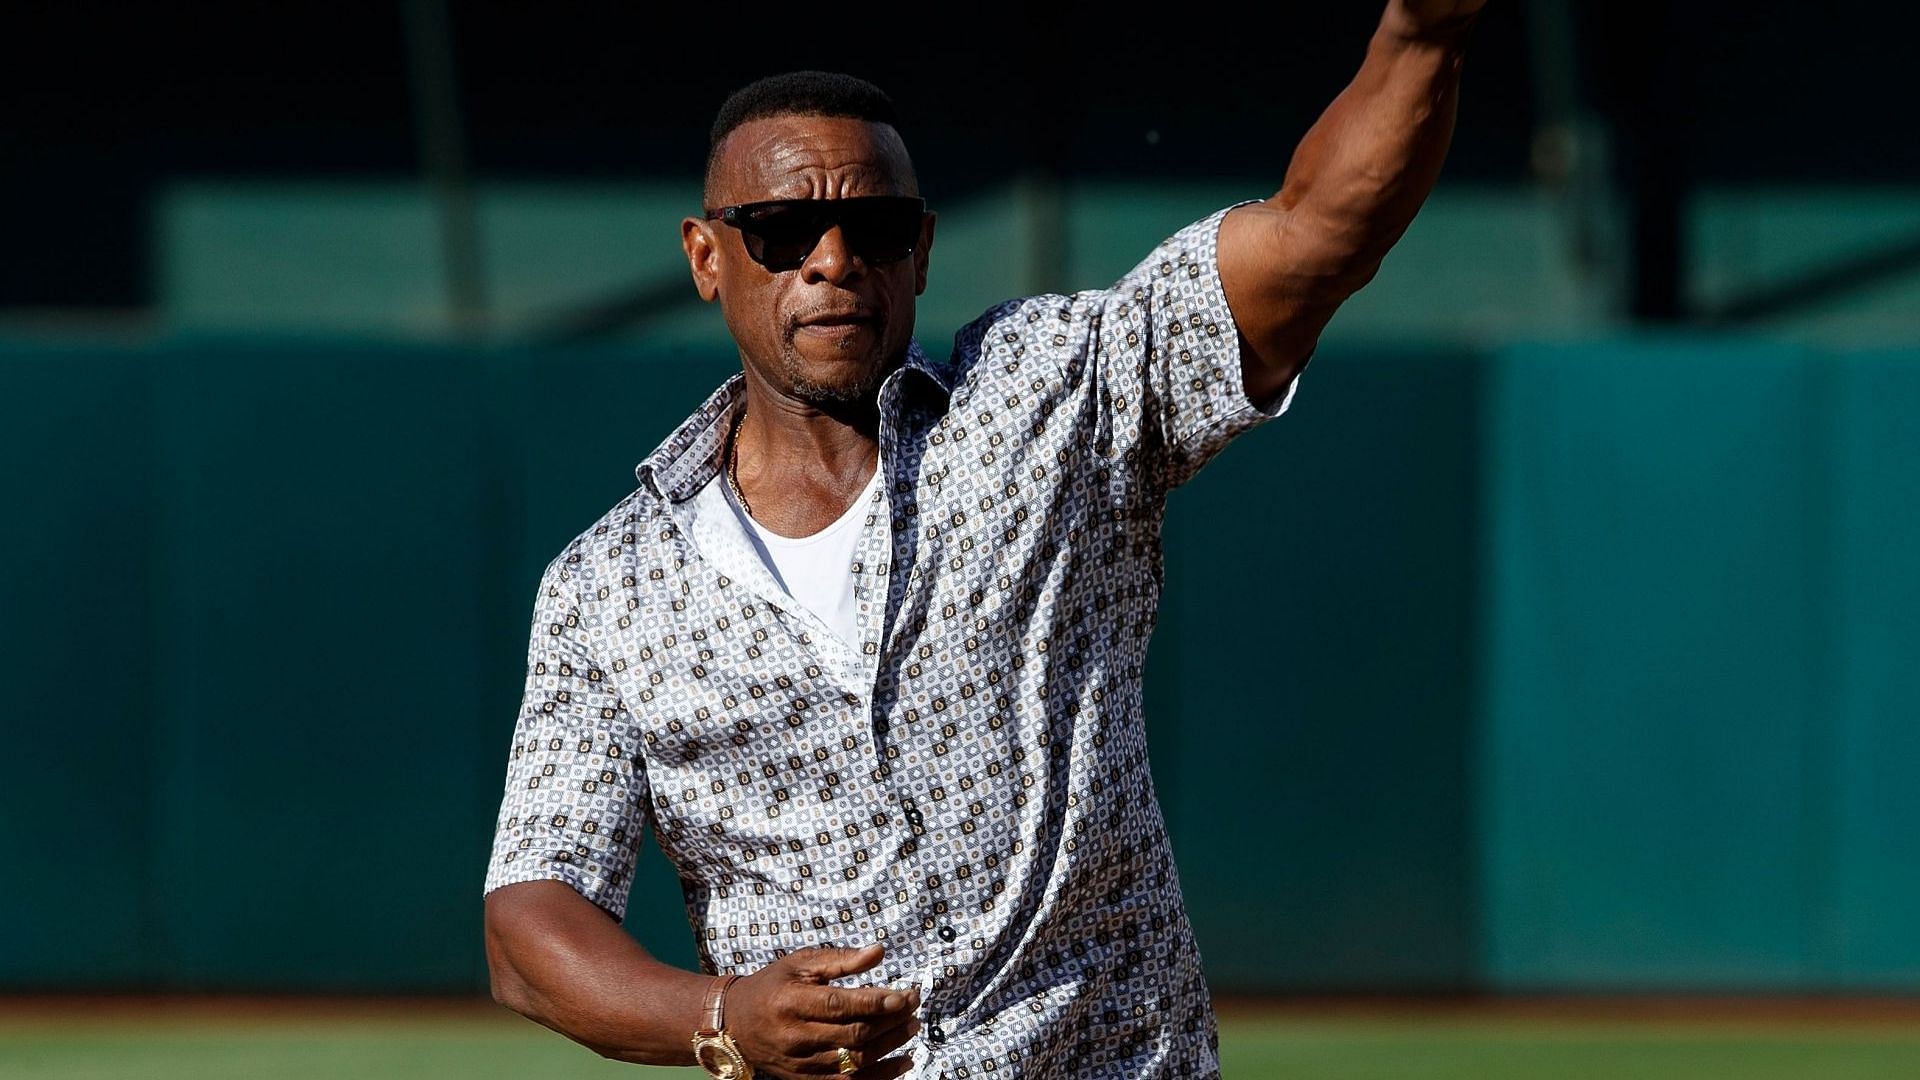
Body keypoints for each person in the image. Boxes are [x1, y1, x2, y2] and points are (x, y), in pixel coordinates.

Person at [482, 3, 1486, 1076]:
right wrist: (720, 1014)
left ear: (918, 252)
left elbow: (1314, 236)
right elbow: (531, 920)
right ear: (706, 257)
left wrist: (1419, 37)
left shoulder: (1047, 403)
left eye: (874, 229)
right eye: (780, 230)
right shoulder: (612, 586)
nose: (831, 261)